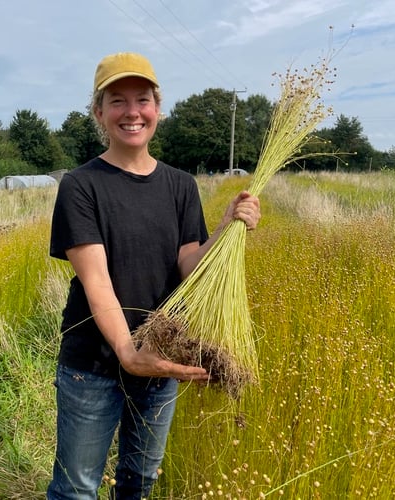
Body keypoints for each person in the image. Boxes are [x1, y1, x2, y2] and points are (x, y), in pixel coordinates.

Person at [47, 52, 261, 500]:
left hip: (162, 354)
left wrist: (226, 229)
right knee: (78, 488)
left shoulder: (180, 185)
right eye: (117, 100)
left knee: (139, 482)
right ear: (99, 112)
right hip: (95, 365)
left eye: (142, 99)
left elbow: (188, 264)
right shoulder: (81, 186)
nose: (132, 112)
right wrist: (127, 352)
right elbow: (96, 280)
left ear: (157, 108)